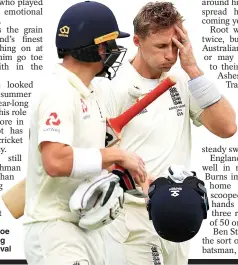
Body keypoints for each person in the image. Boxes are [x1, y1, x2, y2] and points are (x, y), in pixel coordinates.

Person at [98, 2, 237, 265]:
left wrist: (193, 68)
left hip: (176, 210)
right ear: (137, 41)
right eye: (161, 46)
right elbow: (98, 157)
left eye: (175, 45)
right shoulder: (112, 88)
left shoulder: (181, 79)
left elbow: (227, 127)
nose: (171, 55)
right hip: (132, 215)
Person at [23, 1, 147, 265]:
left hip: (88, 225)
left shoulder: (95, 92)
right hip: (54, 228)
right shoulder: (57, 92)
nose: (115, 51)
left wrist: (119, 164)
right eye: (111, 44)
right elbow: (55, 161)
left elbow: (93, 158)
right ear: (98, 47)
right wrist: (116, 154)